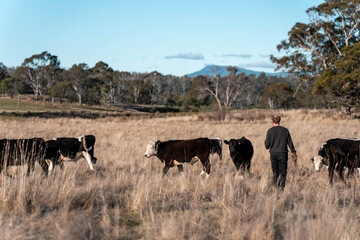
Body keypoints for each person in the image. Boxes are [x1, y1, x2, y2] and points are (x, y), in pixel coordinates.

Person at [265, 114, 297, 189]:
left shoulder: (270, 131)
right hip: (283, 154)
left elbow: (266, 146)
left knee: (275, 172)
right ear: (280, 120)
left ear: (272, 121)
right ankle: (282, 187)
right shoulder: (285, 130)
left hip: (273, 154)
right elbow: (290, 143)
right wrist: (294, 153)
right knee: (283, 172)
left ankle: (276, 187)